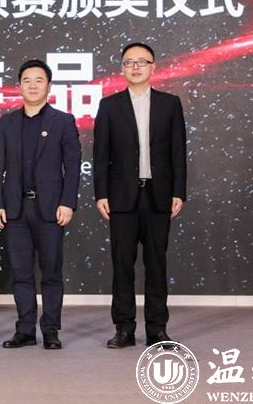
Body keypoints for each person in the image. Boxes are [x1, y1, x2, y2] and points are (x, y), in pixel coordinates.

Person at [93, 42, 187, 349]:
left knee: (156, 265)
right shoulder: (110, 106)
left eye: (141, 62)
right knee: (122, 264)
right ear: (122, 68)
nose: (135, 67)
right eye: (129, 62)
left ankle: (157, 330)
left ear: (153, 67)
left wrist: (179, 191)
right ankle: (124, 329)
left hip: (159, 196)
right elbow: (100, 154)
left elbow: (178, 152)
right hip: (121, 197)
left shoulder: (169, 104)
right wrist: (101, 193)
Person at [0, 59, 81, 350]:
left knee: (51, 273)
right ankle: (25, 329)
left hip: (50, 210)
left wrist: (68, 202)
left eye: (39, 80)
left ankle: (51, 330)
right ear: (19, 86)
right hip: (15, 210)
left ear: (49, 86)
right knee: (21, 273)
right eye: (26, 80)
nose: (32, 85)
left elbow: (73, 166)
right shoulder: (7, 122)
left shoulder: (63, 121)